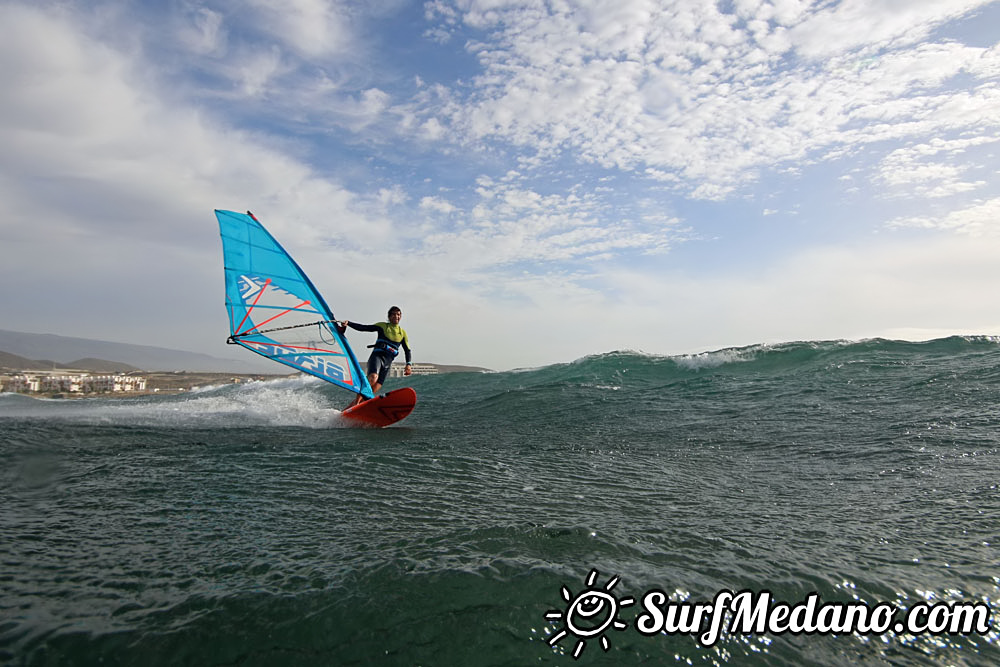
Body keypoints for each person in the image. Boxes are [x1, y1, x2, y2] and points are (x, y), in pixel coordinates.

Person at [340, 306, 412, 408]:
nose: (397, 316)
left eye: (399, 314)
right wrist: (349, 323)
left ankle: (354, 407)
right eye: (394, 314)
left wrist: (408, 364)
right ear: (389, 316)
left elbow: (407, 350)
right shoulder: (382, 326)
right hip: (377, 358)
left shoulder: (402, 333)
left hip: (387, 364)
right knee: (373, 378)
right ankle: (356, 403)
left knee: (374, 389)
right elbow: (364, 328)